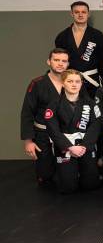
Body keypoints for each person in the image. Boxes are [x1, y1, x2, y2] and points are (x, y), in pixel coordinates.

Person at [45, 69, 102, 193]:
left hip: (85, 146)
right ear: (63, 83)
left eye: (77, 81)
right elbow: (53, 130)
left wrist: (84, 146)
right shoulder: (54, 105)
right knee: (68, 187)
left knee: (91, 185)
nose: (74, 84)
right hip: (65, 147)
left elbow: (96, 126)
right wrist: (70, 147)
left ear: (81, 84)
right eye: (70, 81)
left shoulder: (90, 103)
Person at [20, 48, 69, 187]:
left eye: (64, 61)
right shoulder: (37, 83)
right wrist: (28, 141)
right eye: (56, 60)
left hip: (66, 134)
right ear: (49, 61)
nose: (60, 63)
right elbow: (27, 112)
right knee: (45, 176)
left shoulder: (73, 81)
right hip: (43, 133)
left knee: (66, 177)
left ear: (68, 64)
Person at [54, 0, 103, 96]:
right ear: (71, 14)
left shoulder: (97, 35)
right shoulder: (62, 36)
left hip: (92, 82)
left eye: (83, 12)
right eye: (77, 12)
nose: (80, 15)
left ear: (88, 14)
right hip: (70, 81)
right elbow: (59, 62)